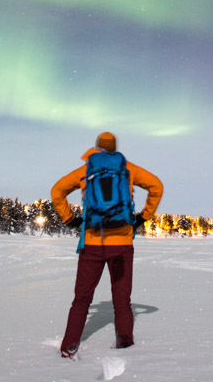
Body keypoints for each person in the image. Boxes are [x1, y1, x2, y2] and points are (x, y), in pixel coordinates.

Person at [52, 131, 163, 359]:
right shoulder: (127, 169)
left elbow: (57, 191)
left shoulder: (86, 170)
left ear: (96, 148)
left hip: (92, 244)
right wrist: (143, 217)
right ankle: (125, 348)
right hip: (122, 245)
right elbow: (156, 186)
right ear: (114, 148)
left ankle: (68, 348)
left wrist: (70, 220)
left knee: (81, 299)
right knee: (122, 301)